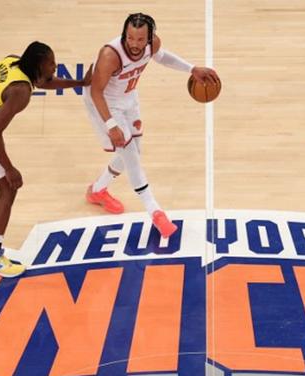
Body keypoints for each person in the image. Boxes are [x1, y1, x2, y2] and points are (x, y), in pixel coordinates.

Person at [0, 41, 89, 277]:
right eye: (51, 62)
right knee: (7, 187)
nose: (55, 65)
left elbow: (45, 81)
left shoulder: (13, 61)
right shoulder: (21, 92)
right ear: (39, 64)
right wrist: (10, 169)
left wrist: (80, 83)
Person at [83, 13, 219, 237]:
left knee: (134, 151)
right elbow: (96, 91)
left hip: (128, 95)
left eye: (139, 39)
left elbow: (162, 56)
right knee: (131, 155)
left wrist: (191, 69)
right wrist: (110, 124)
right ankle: (155, 211)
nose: (134, 44)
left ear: (149, 37)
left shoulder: (153, 44)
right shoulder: (110, 55)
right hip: (104, 102)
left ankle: (97, 190)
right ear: (124, 34)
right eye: (130, 38)